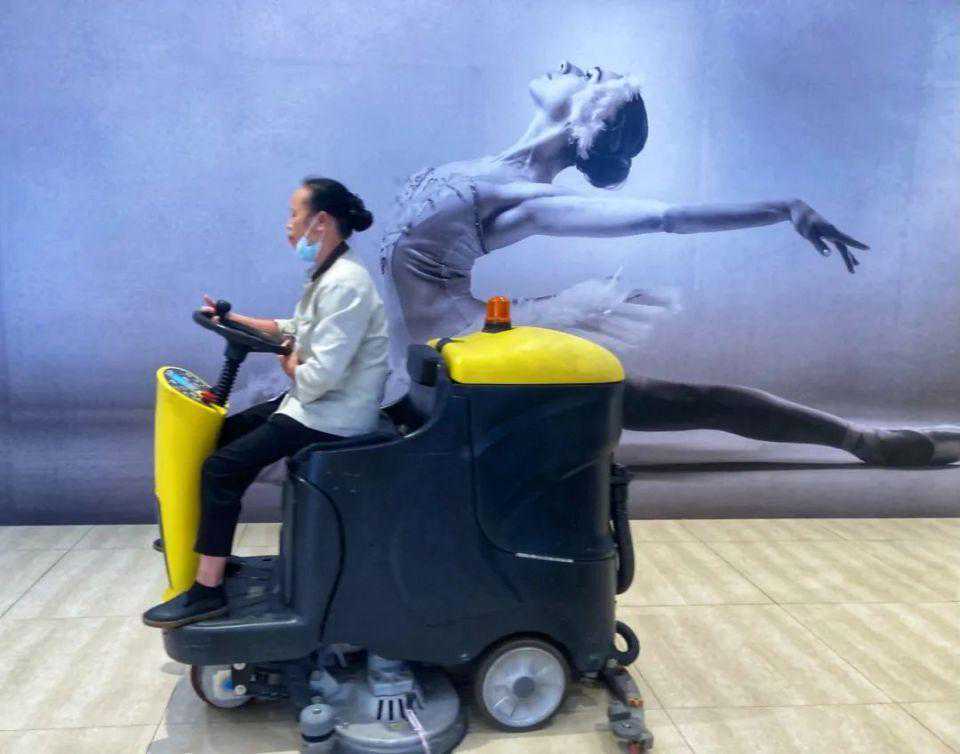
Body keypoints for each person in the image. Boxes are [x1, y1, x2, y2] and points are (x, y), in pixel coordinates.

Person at [377, 60, 960, 467]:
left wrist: (784, 208)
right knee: (666, 400)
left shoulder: (530, 199)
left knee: (678, 401)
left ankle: (862, 438)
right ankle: (860, 437)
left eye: (592, 76)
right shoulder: (481, 170)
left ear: (594, 114)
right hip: (425, 358)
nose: (573, 66)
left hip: (462, 359)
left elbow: (666, 217)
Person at [143, 177, 389, 628]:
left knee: (221, 468)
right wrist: (236, 320)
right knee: (225, 437)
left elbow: (318, 377)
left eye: (294, 215)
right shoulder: (330, 275)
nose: (288, 225)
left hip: (332, 416)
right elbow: (296, 327)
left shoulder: (346, 284)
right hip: (314, 404)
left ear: (320, 222)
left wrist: (290, 361)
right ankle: (213, 551)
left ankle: (207, 590)